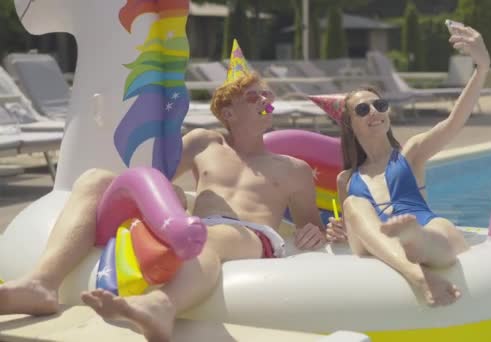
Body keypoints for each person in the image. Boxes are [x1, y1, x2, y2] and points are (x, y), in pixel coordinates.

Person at [0, 45, 326, 341]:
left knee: (214, 233)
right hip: (193, 227)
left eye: (269, 96)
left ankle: (161, 305)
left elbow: (309, 226)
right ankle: (41, 283)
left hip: (251, 235)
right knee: (95, 179)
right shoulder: (204, 142)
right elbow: (156, 179)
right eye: (256, 98)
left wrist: (322, 231)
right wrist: (174, 199)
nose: (267, 102)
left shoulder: (293, 168)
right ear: (228, 113)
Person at [325, 24, 491, 306]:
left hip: (423, 226)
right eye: (363, 110)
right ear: (350, 126)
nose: (375, 112)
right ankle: (415, 266)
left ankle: (414, 239)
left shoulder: (410, 153)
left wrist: (482, 67)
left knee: (440, 226)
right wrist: (339, 231)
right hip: (378, 241)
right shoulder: (346, 179)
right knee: (354, 206)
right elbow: (355, 236)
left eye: (380, 105)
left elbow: (453, 122)